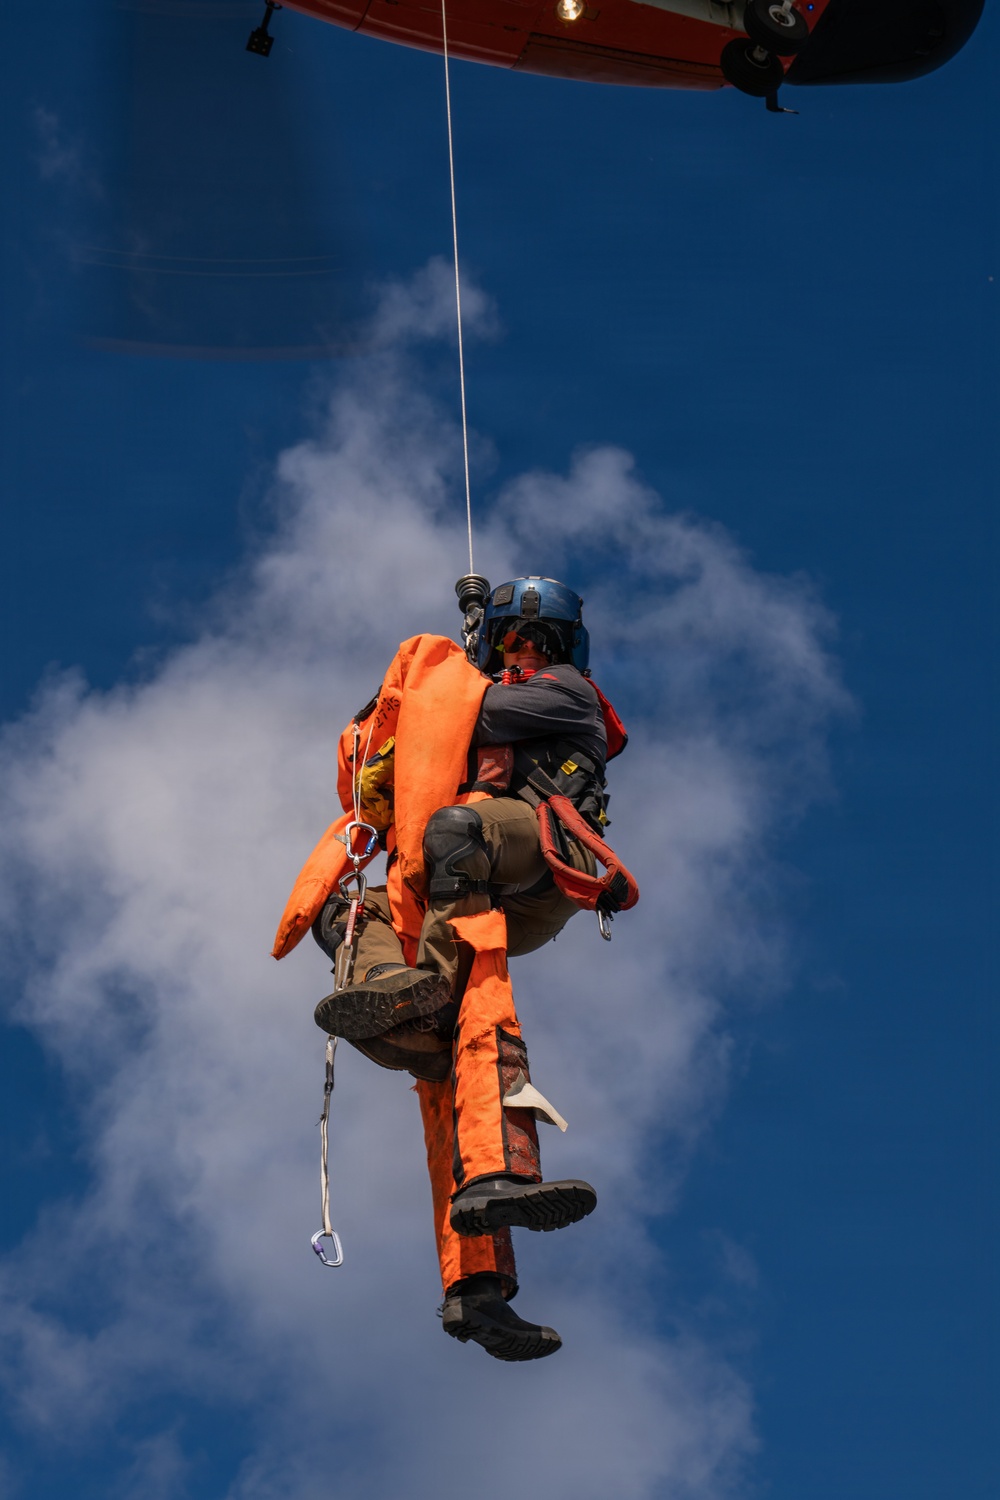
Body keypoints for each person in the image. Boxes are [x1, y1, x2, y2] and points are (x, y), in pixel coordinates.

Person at [272, 576, 636, 1361]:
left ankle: (424, 992)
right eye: (510, 640)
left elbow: (462, 712)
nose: (522, 652)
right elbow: (382, 754)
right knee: (351, 918)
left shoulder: (568, 696)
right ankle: (476, 1290)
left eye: (533, 643)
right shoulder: (476, 699)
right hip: (461, 889)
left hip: (540, 862)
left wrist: (433, 673)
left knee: (455, 824)